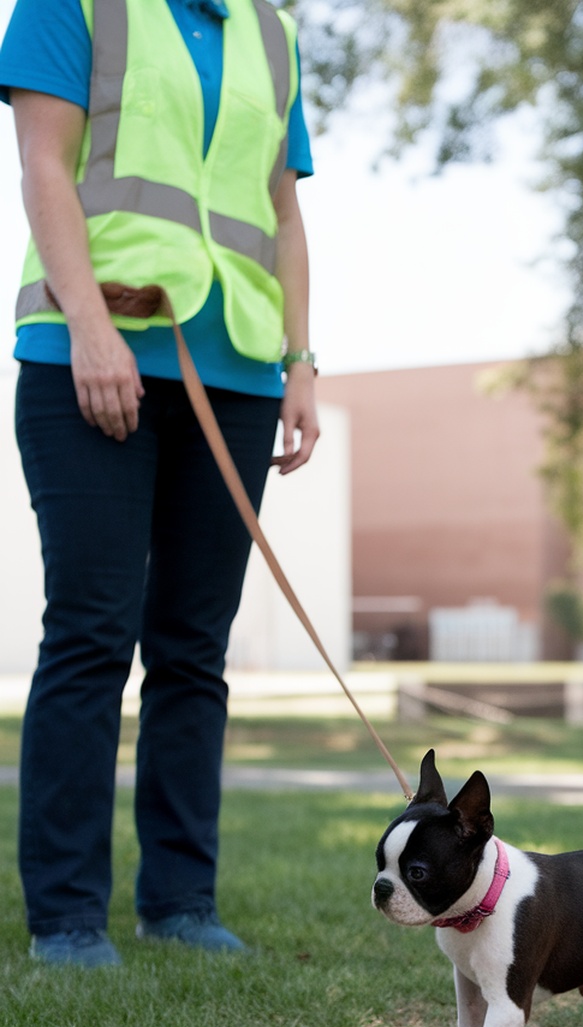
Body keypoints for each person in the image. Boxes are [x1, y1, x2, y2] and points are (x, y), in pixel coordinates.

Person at [1, 0, 320, 966]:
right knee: (93, 633)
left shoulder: (272, 30)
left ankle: (181, 900)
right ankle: (65, 915)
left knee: (193, 649)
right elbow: (45, 163)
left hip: (235, 374)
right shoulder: (73, 4)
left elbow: (284, 211)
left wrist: (300, 360)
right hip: (91, 354)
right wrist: (90, 323)